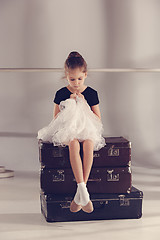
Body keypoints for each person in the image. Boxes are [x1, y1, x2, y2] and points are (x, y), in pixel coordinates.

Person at [38, 51, 105, 213]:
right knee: (74, 145)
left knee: (88, 144)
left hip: (87, 128)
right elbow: (56, 118)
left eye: (80, 79)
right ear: (66, 76)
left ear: (85, 75)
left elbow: (98, 119)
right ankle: (83, 191)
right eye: (72, 79)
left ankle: (80, 193)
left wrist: (83, 104)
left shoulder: (91, 93)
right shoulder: (61, 93)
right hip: (68, 129)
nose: (76, 83)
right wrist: (70, 104)